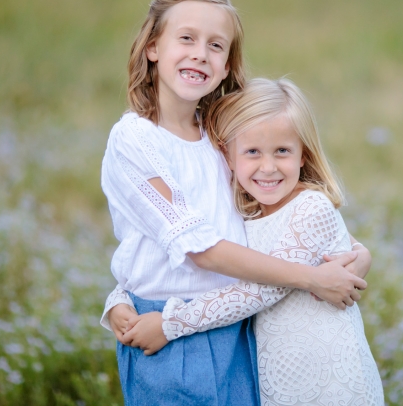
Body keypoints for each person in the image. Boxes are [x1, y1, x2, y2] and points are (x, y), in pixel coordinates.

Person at [98, 0, 370, 406]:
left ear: (226, 66)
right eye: (186, 38)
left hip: (239, 323)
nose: (199, 54)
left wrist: (355, 252)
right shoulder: (135, 140)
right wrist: (312, 277)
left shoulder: (222, 136)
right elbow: (196, 248)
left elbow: (278, 212)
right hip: (167, 328)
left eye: (215, 45)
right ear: (152, 48)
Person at [125, 78, 385, 406]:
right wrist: (120, 296)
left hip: (332, 379)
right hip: (281, 375)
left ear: (303, 155)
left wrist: (171, 324)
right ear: (228, 155)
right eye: (252, 152)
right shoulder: (245, 212)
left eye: (282, 151)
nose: (268, 167)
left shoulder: (311, 207)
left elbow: (259, 291)